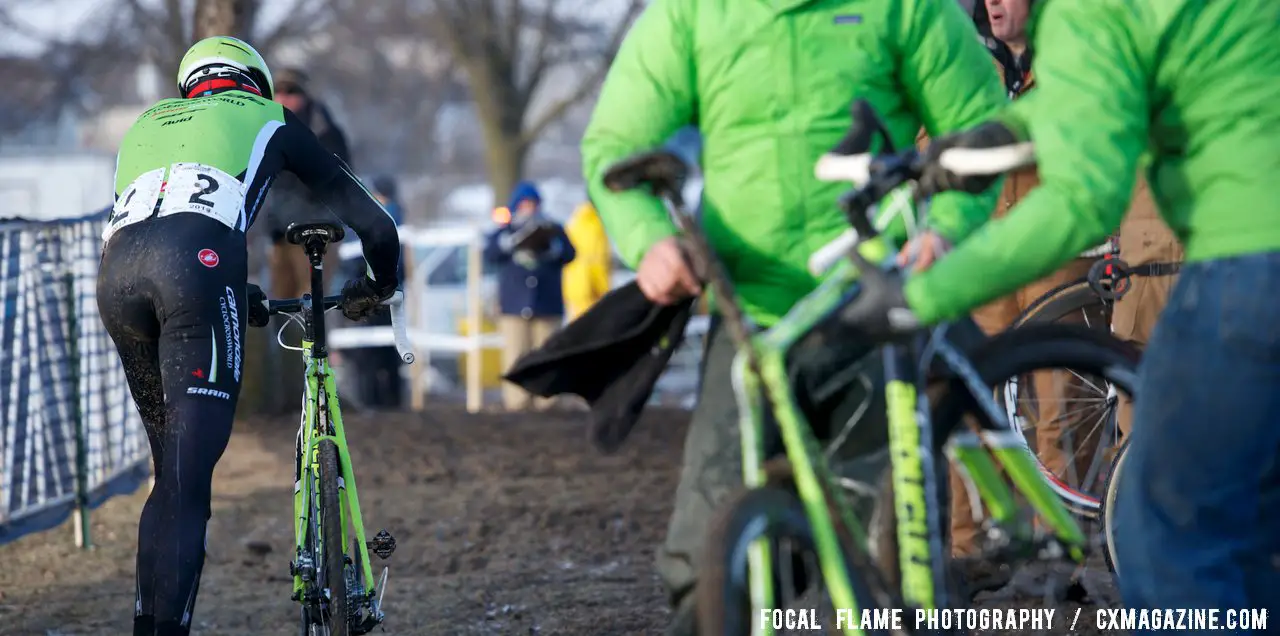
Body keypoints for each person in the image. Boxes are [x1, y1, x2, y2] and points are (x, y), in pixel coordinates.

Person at [845, 0, 1280, 622]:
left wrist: (918, 298)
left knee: (1168, 543)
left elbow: (1083, 195)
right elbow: (1096, 93)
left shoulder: (1089, 13)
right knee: (1239, 537)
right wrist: (994, 137)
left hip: (1242, 265)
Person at [580, 0, 1007, 631]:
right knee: (708, 560)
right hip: (753, 320)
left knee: (886, 571)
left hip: (876, 307)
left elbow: (978, 122)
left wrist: (942, 230)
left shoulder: (907, 7)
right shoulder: (691, 15)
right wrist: (651, 242)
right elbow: (615, 143)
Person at [97, 36, 401, 636]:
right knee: (190, 483)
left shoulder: (145, 122)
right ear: (254, 81)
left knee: (168, 477)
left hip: (117, 275)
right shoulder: (269, 117)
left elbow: (161, 221)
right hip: (196, 267)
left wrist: (234, 293)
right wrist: (377, 283)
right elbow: (373, 220)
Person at [944, 0, 1161, 559]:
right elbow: (931, 139)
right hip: (987, 256)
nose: (993, 2)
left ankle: (1059, 543)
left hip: (1058, 258)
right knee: (970, 407)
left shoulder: (1071, 52)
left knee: (1057, 413)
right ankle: (969, 550)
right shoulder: (962, 59)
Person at [258, 67, 355, 412]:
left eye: (291, 92)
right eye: (278, 92)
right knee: (280, 310)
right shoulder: (267, 127)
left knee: (314, 307)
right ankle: (287, 394)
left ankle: (322, 392)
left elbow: (337, 180)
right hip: (280, 235)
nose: (284, 99)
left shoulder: (325, 132)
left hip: (318, 234)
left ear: (304, 95)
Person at [485, 180, 576, 411]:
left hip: (547, 305)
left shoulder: (554, 229)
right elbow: (490, 253)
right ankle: (517, 402)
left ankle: (547, 400)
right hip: (515, 306)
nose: (530, 208)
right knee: (516, 355)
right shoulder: (505, 232)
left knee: (546, 354)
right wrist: (512, 242)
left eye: (533, 203)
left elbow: (570, 253)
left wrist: (551, 247)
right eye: (525, 204)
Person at [562, 199, 614, 321]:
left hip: (576, 286)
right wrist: (604, 288)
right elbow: (599, 259)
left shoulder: (574, 221)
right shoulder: (596, 225)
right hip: (590, 285)